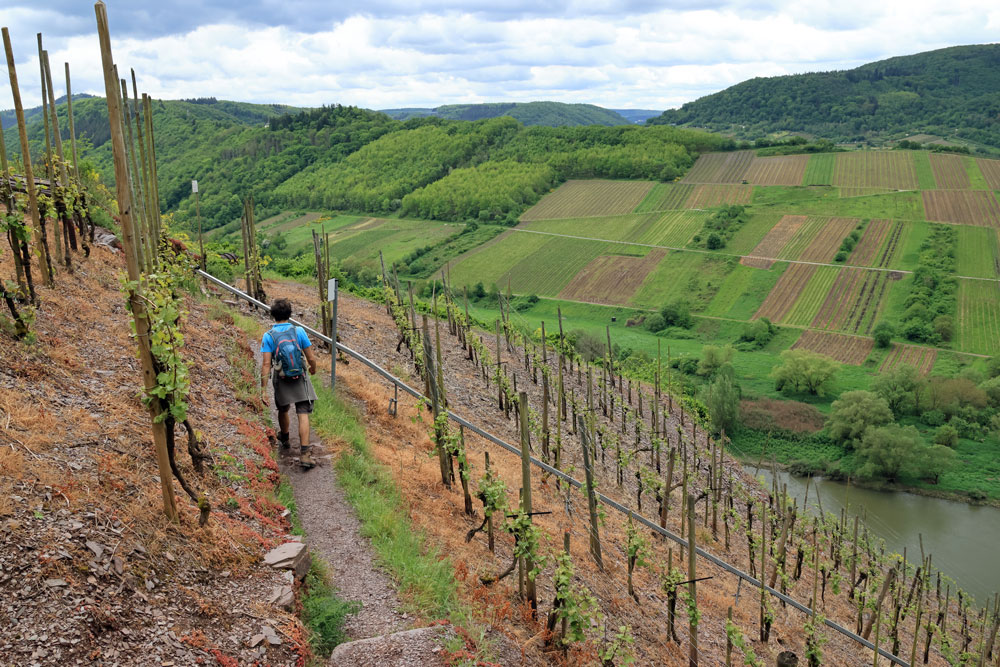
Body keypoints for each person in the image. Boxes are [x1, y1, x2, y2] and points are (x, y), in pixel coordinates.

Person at [260, 298, 318, 469]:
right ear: (289, 314)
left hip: (281, 377)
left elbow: (265, 364)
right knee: (303, 413)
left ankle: (284, 438)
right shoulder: (298, 331)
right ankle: (305, 454)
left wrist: (263, 389)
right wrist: (312, 368)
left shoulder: (268, 336)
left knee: (283, 409)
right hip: (299, 376)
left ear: (273, 315)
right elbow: (311, 357)